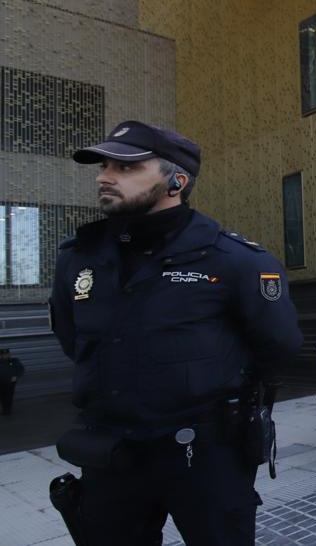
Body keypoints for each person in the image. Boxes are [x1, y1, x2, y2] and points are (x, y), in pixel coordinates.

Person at [49, 120, 303, 545]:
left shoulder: (233, 260)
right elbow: (73, 340)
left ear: (176, 181)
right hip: (110, 452)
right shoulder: (79, 259)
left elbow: (278, 345)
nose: (104, 177)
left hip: (204, 454)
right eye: (105, 166)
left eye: (126, 168)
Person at [0, 348, 24, 415]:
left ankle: (8, 411)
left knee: (9, 397)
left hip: (10, 383)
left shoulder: (14, 361)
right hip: (1, 383)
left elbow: (21, 369)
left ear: (9, 354)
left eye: (6, 354)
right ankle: (5, 410)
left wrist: (16, 376)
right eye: (3, 354)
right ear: (1, 355)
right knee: (2, 397)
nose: (5, 356)